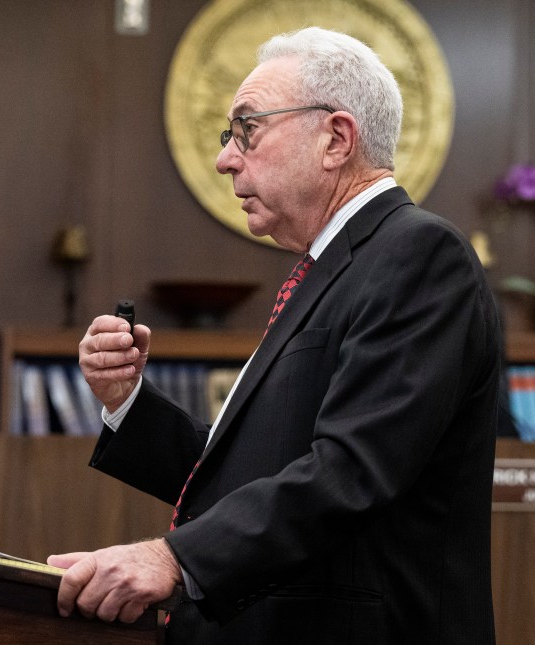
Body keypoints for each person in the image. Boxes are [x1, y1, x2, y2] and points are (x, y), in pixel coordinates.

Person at [48, 26, 500, 644]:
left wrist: (172, 558)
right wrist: (126, 402)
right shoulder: (329, 266)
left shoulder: (418, 255)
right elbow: (245, 475)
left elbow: (350, 472)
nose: (225, 157)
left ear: (336, 139)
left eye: (248, 130)